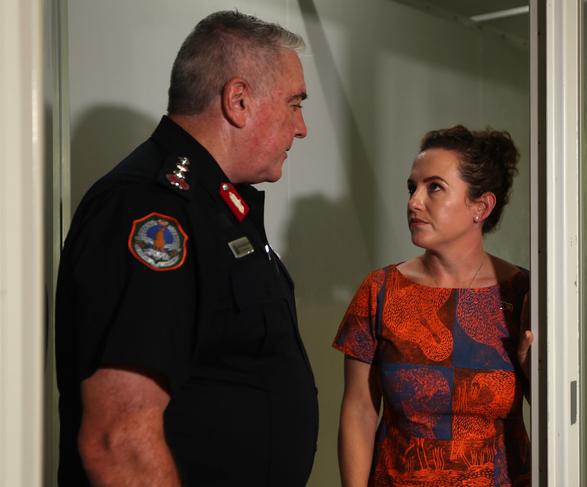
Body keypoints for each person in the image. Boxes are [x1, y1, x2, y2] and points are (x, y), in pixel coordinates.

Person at [56, 11, 318, 487]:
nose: (300, 128)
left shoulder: (214, 206)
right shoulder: (152, 210)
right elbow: (120, 440)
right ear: (238, 100)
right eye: (293, 104)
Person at [333, 125, 533, 486]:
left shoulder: (523, 294)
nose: (414, 201)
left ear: (481, 206)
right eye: (412, 187)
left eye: (434, 187)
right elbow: (359, 410)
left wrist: (532, 366)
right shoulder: (380, 291)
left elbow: (559, 416)